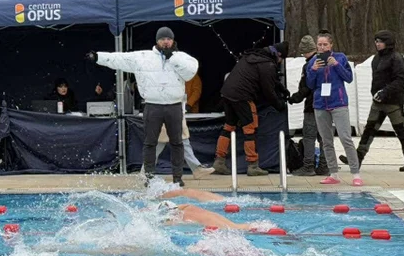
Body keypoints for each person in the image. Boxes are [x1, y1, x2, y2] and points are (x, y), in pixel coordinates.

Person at [87, 27, 198, 184]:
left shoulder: (181, 57)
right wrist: (98, 57)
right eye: (163, 39)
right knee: (150, 143)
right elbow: (120, 58)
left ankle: (177, 178)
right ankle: (149, 177)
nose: (166, 42)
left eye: (169, 39)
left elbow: (191, 72)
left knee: (177, 143)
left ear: (173, 41)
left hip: (174, 106)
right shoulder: (143, 57)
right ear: (157, 41)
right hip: (153, 106)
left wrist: (172, 58)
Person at [344, 31, 404, 172]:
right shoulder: (376, 59)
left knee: (401, 131)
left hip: (393, 102)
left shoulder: (396, 58)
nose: (377, 44)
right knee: (369, 130)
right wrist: (375, 93)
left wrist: (385, 92)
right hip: (378, 101)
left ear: (388, 43)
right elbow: (376, 80)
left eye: (380, 41)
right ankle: (357, 159)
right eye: (376, 41)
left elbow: (401, 79)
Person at [212, 42, 289, 177]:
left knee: (228, 126)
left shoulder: (251, 57)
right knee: (250, 129)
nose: (280, 62)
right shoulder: (268, 64)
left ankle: (219, 161)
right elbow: (268, 91)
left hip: (227, 94)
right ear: (279, 55)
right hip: (243, 97)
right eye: (282, 59)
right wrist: (280, 105)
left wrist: (282, 89)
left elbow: (270, 80)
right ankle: (253, 165)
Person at [305, 31, 362, 186]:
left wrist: (336, 65)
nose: (322, 47)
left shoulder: (340, 58)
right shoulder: (312, 62)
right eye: (319, 45)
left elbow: (348, 78)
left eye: (325, 44)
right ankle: (333, 173)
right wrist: (313, 70)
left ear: (331, 45)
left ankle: (355, 173)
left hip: (338, 102)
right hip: (320, 105)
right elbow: (309, 85)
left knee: (345, 138)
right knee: (326, 140)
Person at [287, 35, 326, 176]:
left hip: (312, 106)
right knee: (324, 138)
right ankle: (324, 166)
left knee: (309, 137)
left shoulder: (309, 65)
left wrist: (293, 98)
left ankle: (308, 166)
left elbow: (306, 88)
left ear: (304, 51)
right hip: (327, 105)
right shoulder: (325, 61)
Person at [155, 111, 210, 182]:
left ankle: (196, 168)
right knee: (157, 146)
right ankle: (146, 171)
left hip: (176, 113)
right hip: (164, 112)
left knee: (184, 142)